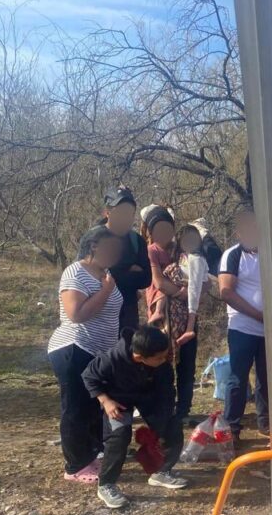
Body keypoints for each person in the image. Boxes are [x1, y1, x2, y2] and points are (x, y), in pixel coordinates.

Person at [47, 227, 124, 484]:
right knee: (76, 408)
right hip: (74, 348)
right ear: (94, 246)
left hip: (98, 354)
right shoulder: (75, 272)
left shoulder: (105, 274)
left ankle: (91, 455)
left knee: (92, 407)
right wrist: (106, 291)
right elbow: (76, 314)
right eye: (111, 248)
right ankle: (75, 466)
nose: (116, 253)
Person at [82, 325, 189, 509]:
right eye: (159, 358)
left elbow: (166, 391)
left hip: (147, 396)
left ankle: (161, 472)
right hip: (118, 400)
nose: (164, 360)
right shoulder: (112, 359)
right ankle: (106, 484)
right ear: (140, 357)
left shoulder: (161, 362)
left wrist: (161, 423)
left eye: (165, 355)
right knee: (120, 435)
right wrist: (106, 401)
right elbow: (89, 377)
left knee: (172, 426)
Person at [218, 205, 269, 441]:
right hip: (242, 329)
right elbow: (226, 292)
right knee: (238, 379)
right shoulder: (233, 255)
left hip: (270, 330)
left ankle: (266, 425)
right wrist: (257, 315)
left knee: (266, 378)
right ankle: (232, 429)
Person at [163, 223, 211, 420]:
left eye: (194, 238)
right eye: (186, 239)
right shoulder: (181, 258)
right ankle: (168, 406)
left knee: (185, 364)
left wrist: (190, 325)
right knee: (166, 361)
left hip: (186, 319)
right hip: (170, 316)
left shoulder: (197, 260)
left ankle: (183, 409)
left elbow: (194, 291)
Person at [99, 186, 151, 332]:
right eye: (121, 211)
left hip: (128, 314)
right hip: (99, 314)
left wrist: (115, 272)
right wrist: (130, 270)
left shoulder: (137, 241)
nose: (126, 217)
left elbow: (146, 279)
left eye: (130, 213)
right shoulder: (94, 239)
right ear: (107, 212)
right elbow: (91, 277)